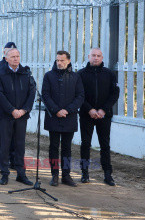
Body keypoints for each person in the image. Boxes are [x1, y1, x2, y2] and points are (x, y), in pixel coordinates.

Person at [0, 48, 35, 185]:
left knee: (20, 145)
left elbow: (31, 93)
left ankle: (21, 174)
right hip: (6, 116)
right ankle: (4, 173)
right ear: (6, 58)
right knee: (5, 145)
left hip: (22, 116)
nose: (15, 59)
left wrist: (23, 110)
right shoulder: (0, 74)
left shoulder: (26, 73)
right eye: (12, 57)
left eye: (17, 56)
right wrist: (12, 110)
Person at [42, 50, 84, 187]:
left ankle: (66, 175)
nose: (59, 63)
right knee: (53, 146)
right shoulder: (48, 76)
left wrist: (67, 110)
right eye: (57, 60)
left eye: (62, 60)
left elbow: (80, 96)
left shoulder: (75, 77)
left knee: (67, 148)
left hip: (69, 117)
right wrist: (56, 110)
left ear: (68, 61)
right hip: (53, 117)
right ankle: (54, 175)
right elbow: (45, 95)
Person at [78, 48, 120, 186]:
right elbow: (79, 95)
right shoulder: (81, 74)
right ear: (88, 57)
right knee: (85, 144)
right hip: (86, 115)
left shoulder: (109, 74)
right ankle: (85, 173)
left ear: (102, 58)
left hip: (104, 116)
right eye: (93, 55)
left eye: (98, 56)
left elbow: (114, 94)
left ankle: (108, 174)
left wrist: (103, 110)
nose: (96, 58)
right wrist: (89, 109)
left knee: (105, 145)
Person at [0, 42, 17, 169]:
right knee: (1, 136)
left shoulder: (18, 68)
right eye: (8, 51)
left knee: (15, 137)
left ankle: (13, 160)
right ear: (4, 52)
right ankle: (1, 160)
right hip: (1, 109)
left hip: (15, 110)